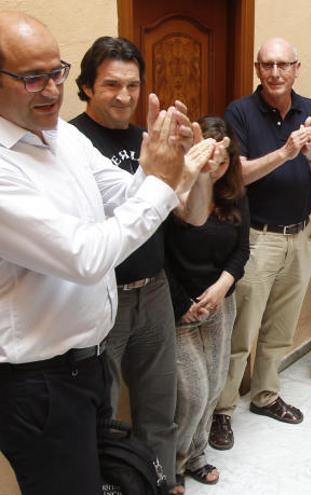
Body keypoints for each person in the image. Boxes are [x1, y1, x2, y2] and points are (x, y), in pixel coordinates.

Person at [0, 12, 215, 495]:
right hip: (38, 382)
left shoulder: (63, 138)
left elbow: (125, 193)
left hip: (87, 363)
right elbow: (86, 255)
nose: (51, 89)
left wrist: (174, 162)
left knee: (119, 470)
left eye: (56, 71)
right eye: (33, 77)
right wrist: (163, 179)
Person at [69, 36, 183, 483]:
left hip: (153, 290)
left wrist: (192, 166)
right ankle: (114, 486)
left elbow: (176, 212)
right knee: (102, 412)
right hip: (102, 297)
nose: (124, 96)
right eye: (111, 84)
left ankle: (164, 482)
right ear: (86, 87)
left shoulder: (146, 137)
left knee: (160, 405)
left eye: (133, 85)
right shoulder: (72, 143)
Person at [211, 37, 311, 449]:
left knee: (279, 330)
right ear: (257, 69)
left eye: (284, 64)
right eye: (268, 65)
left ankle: (264, 395)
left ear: (297, 68)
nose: (276, 72)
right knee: (239, 335)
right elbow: (237, 175)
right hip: (257, 239)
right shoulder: (240, 112)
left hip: (300, 235)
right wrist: (286, 152)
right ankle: (222, 411)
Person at [164, 116, 246, 491]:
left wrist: (221, 288)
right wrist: (185, 303)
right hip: (180, 309)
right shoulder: (172, 195)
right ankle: (175, 464)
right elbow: (161, 257)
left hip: (219, 305)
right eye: (208, 158)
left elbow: (241, 251)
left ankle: (197, 456)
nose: (215, 167)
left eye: (224, 160)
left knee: (214, 387)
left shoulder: (235, 196)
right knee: (193, 394)